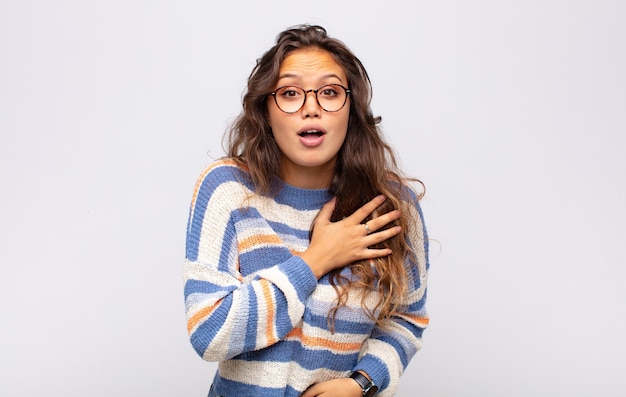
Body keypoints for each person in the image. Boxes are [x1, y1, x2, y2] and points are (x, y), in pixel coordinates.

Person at [183, 24, 429, 397]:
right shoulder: (228, 189)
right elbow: (209, 332)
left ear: (352, 109)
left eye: (329, 92)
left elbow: (407, 318)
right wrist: (316, 259)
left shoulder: (391, 205)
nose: (311, 108)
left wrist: (361, 384)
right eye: (290, 93)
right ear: (266, 109)